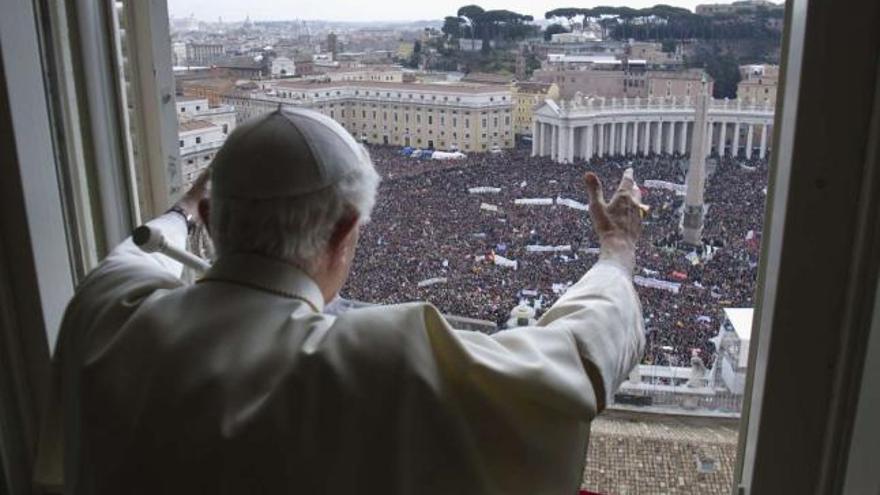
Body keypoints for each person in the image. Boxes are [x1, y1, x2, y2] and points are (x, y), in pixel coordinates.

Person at [38, 108, 646, 494]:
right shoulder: (383, 358)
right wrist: (616, 257)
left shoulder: (107, 313)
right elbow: (575, 363)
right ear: (343, 231)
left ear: (214, 221)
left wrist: (180, 213)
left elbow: (131, 255)